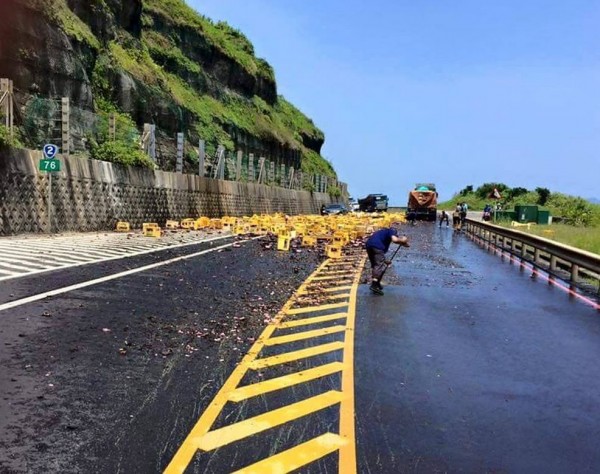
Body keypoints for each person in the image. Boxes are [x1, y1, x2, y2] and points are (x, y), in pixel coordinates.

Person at [365, 226, 409, 295]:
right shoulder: (392, 231)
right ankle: (374, 285)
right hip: (377, 247)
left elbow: (378, 257)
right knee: (379, 266)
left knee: (375, 264)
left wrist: (385, 261)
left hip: (369, 245)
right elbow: (394, 240)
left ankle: (377, 283)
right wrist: (403, 241)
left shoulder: (382, 233)